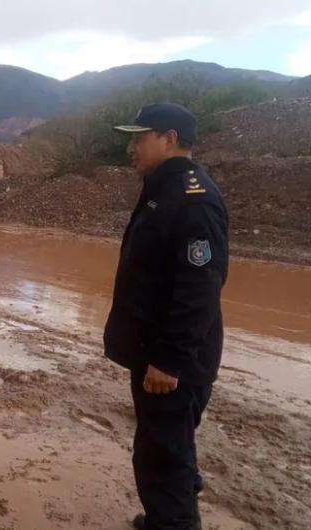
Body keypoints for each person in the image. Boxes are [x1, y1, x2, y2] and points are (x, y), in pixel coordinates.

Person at [103, 103, 229, 530]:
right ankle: (164, 518)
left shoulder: (194, 199)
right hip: (155, 351)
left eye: (139, 138)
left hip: (172, 361)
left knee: (163, 456)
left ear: (169, 138)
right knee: (166, 448)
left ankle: (171, 521)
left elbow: (200, 288)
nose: (130, 148)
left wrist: (170, 359)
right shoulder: (163, 188)